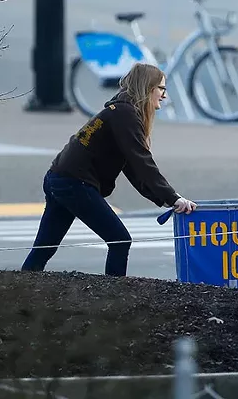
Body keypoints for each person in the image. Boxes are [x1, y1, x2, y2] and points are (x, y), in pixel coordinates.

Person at [21, 63, 197, 276]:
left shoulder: (119, 111)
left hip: (58, 179)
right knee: (120, 240)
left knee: (44, 249)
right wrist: (172, 197)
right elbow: (142, 162)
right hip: (74, 183)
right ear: (147, 88)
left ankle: (18, 294)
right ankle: (114, 299)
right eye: (161, 89)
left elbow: (134, 168)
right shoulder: (126, 114)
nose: (164, 96)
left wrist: (168, 198)